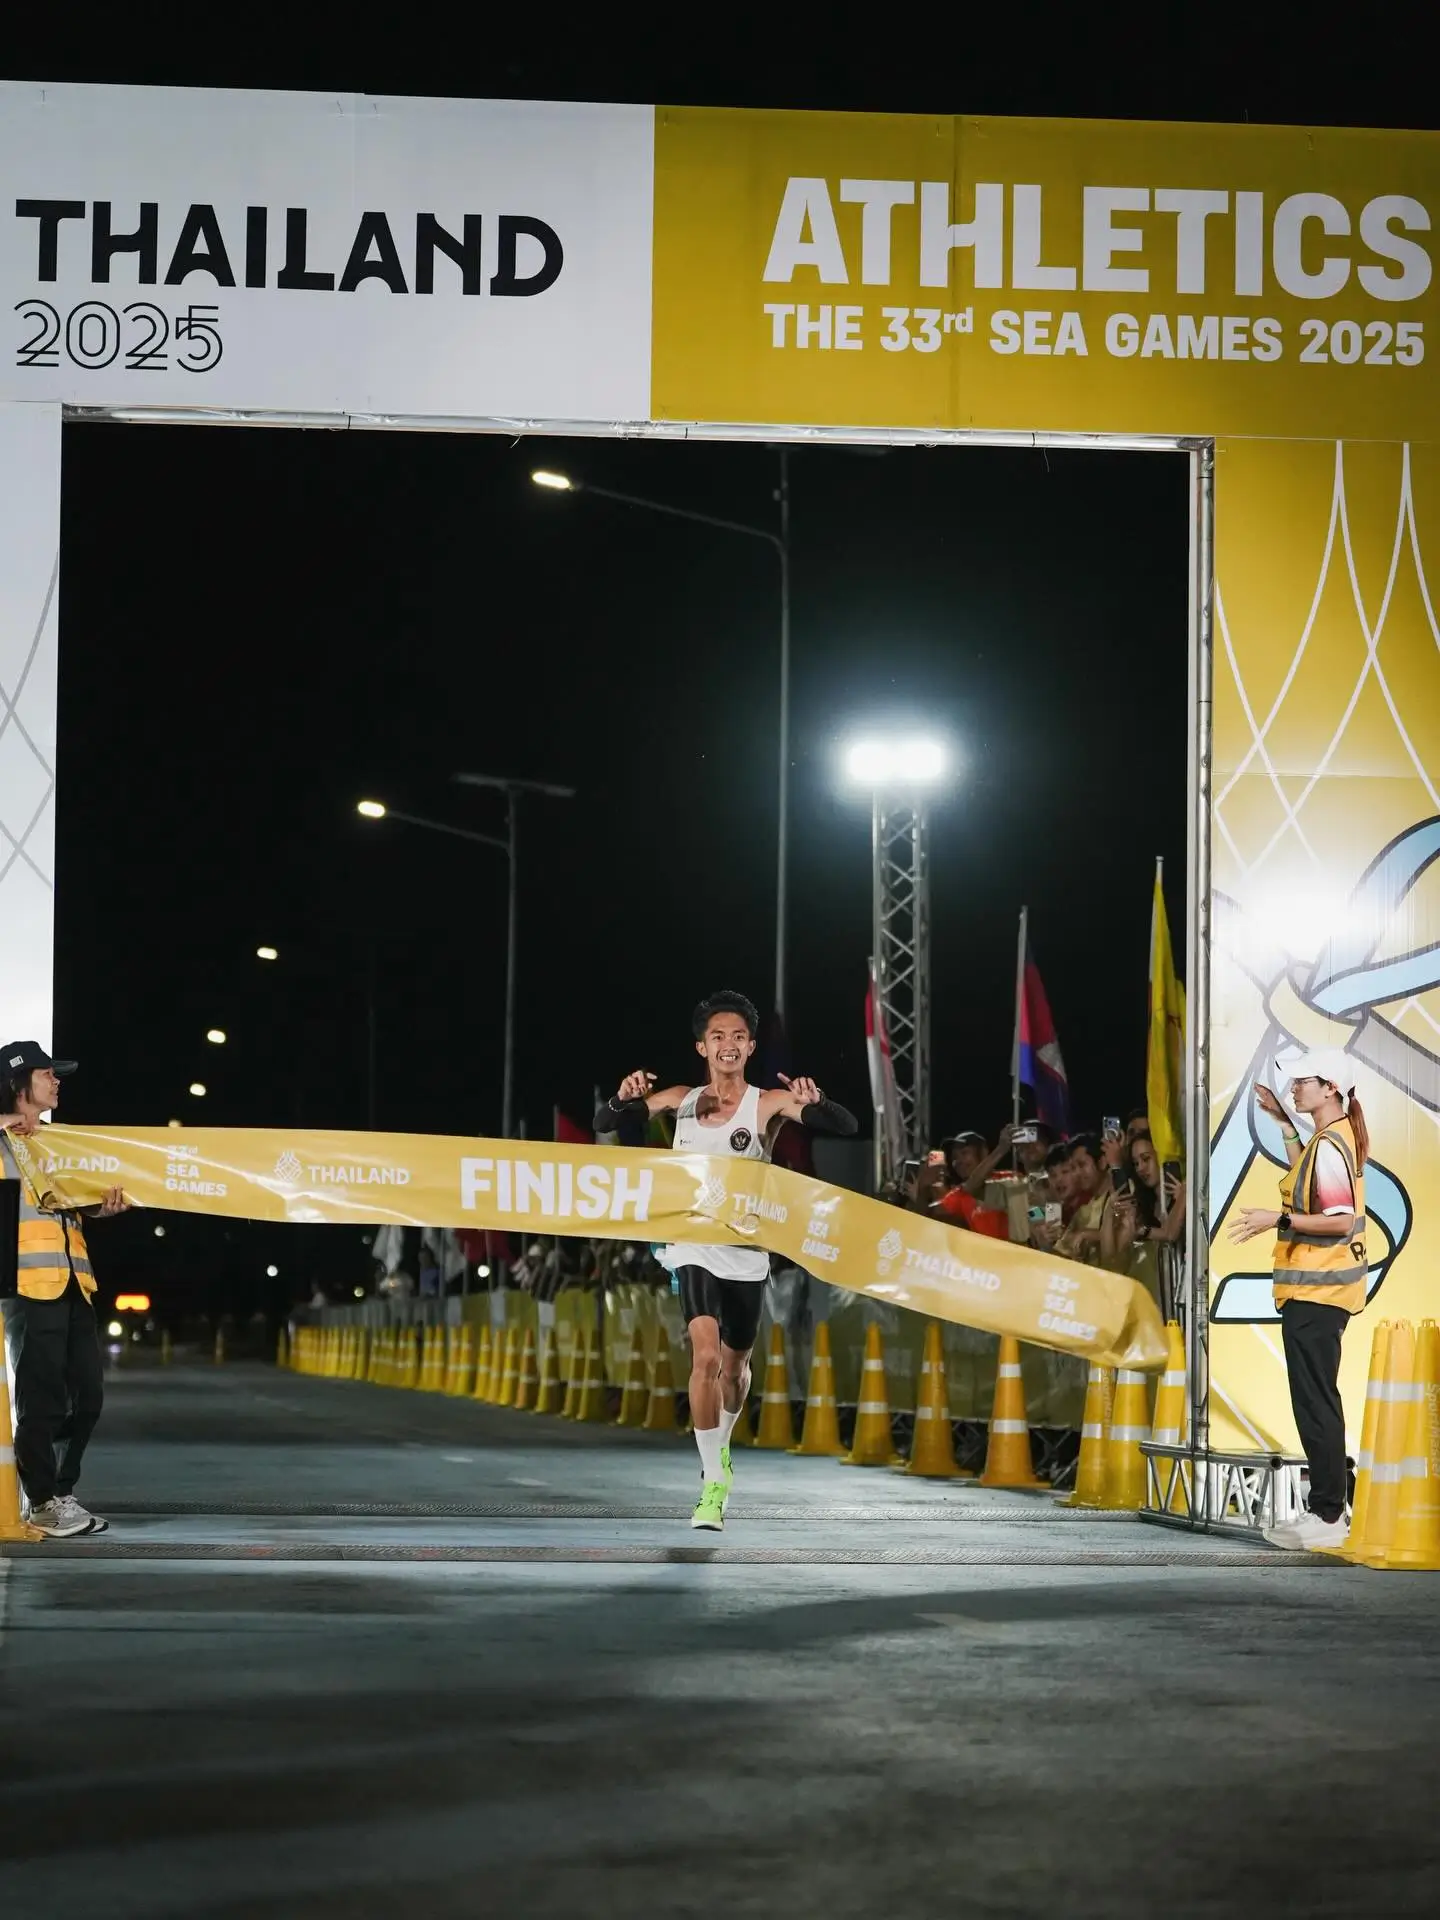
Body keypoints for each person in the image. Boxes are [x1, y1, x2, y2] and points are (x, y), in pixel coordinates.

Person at [595, 990, 856, 1532]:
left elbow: (845, 1126)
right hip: (692, 1245)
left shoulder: (766, 1103)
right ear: (702, 1047)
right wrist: (623, 1099)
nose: (728, 1044)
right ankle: (712, 1482)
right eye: (718, 1036)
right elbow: (606, 1122)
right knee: (706, 1358)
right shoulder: (681, 1100)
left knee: (735, 1370)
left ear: (751, 1046)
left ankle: (723, 1449)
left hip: (746, 1253)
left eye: (738, 1036)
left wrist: (819, 1100)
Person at [1228, 1048, 1370, 1552]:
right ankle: (1326, 1509)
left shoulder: (1331, 1144)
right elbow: (1310, 1184)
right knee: (1315, 1400)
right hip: (1318, 1291)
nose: (1293, 1088)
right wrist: (1285, 1124)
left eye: (1302, 1082)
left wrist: (1278, 1219)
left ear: (1330, 1087)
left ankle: (1329, 1513)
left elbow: (1338, 1220)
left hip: (1318, 1291)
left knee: (1316, 1403)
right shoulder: (1328, 1140)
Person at [0, 1041, 129, 1537]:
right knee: (42, 1398)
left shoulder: (59, 1143)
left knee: (87, 1396)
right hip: (28, 1286)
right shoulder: (3, 1139)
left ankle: (60, 1492)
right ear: (18, 1081)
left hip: (74, 1281)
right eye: (47, 1074)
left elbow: (72, 1201)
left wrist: (101, 1207)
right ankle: (42, 1501)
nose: (57, 1081)